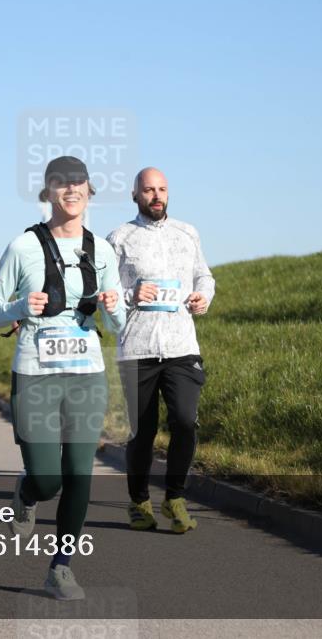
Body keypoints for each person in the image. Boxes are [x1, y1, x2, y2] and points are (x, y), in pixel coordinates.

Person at [0, 156, 124, 601]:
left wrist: (114, 306)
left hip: (86, 375)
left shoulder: (102, 251)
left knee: (80, 473)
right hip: (36, 375)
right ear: (48, 192)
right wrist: (22, 307)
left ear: (89, 191)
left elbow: (119, 328)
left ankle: (61, 566)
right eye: (61, 183)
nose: (71, 190)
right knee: (48, 479)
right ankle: (26, 490)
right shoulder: (23, 247)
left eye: (78, 182)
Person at [106, 167, 214, 534]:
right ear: (135, 195)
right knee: (143, 431)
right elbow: (103, 296)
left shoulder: (188, 233)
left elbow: (204, 276)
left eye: (162, 189)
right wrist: (129, 295)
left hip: (182, 346)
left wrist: (204, 297)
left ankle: (174, 498)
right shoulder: (119, 238)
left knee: (185, 420)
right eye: (149, 190)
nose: (156, 196)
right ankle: (139, 503)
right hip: (137, 349)